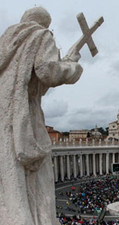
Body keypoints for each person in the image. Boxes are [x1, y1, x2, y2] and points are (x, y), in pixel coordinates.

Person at [0, 7, 82, 224]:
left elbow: (35, 82)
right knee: (37, 179)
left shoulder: (6, 44)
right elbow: (48, 72)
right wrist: (72, 65)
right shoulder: (39, 34)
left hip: (4, 115)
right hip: (24, 115)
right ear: (45, 24)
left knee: (10, 179)